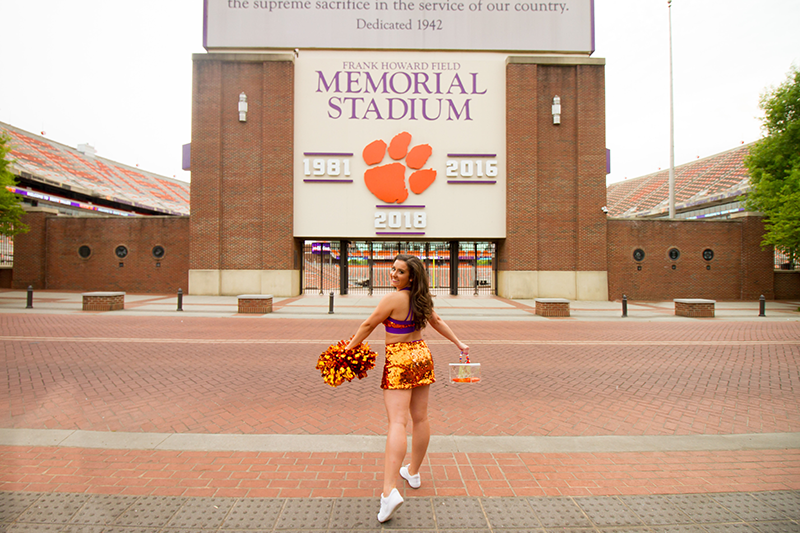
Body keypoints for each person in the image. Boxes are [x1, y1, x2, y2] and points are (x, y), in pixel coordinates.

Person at [345, 254, 469, 523]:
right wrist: (459, 344)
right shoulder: (420, 299)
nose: (393, 274)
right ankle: (412, 471)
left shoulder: (393, 299)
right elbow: (436, 322)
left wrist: (347, 351)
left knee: (398, 422)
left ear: (411, 277)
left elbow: (368, 325)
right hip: (421, 354)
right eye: (392, 269)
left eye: (400, 272)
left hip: (399, 357)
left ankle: (389, 492)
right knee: (421, 418)